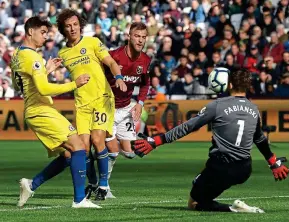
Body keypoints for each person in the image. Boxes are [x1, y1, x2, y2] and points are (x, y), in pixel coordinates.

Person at [131, 68, 289, 213]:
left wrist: (156, 141)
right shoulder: (254, 109)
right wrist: (273, 162)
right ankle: (211, 191)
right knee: (201, 185)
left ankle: (235, 209)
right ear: (248, 86)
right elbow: (259, 138)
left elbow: (188, 127)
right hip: (244, 168)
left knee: (194, 203)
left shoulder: (217, 106)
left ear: (230, 84)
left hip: (222, 166)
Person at [10, 16, 99, 208]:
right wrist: (74, 84)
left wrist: (45, 70)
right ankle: (79, 200)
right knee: (79, 147)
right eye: (42, 32)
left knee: (68, 156)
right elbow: (43, 89)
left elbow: (17, 84)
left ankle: (31, 184)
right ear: (30, 31)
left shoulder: (17, 54)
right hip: (39, 109)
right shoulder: (32, 56)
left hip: (34, 109)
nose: (45, 37)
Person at [57, 9, 127, 201]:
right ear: (63, 29)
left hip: (102, 98)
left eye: (75, 24)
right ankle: (94, 183)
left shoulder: (93, 42)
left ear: (80, 25)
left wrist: (119, 77)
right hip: (82, 104)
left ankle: (104, 185)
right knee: (83, 149)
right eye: (68, 26)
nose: (72, 28)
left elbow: (111, 62)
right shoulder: (62, 53)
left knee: (98, 140)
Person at [85, 22, 151, 199]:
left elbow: (145, 83)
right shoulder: (114, 56)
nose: (140, 40)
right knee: (113, 151)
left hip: (126, 107)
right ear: (128, 36)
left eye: (144, 37)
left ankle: (97, 157)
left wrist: (140, 103)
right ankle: (103, 186)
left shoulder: (145, 60)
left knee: (129, 153)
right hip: (108, 109)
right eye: (137, 36)